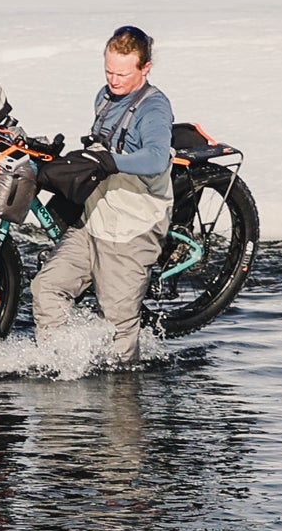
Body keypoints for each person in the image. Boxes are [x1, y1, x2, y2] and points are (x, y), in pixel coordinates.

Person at [30, 25, 174, 363]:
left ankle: (122, 404)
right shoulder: (105, 96)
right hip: (92, 220)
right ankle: (61, 366)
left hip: (130, 229)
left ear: (146, 69)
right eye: (109, 71)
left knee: (118, 331)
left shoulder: (154, 110)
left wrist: (111, 161)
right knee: (46, 289)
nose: (114, 80)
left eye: (122, 73)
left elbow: (155, 158)